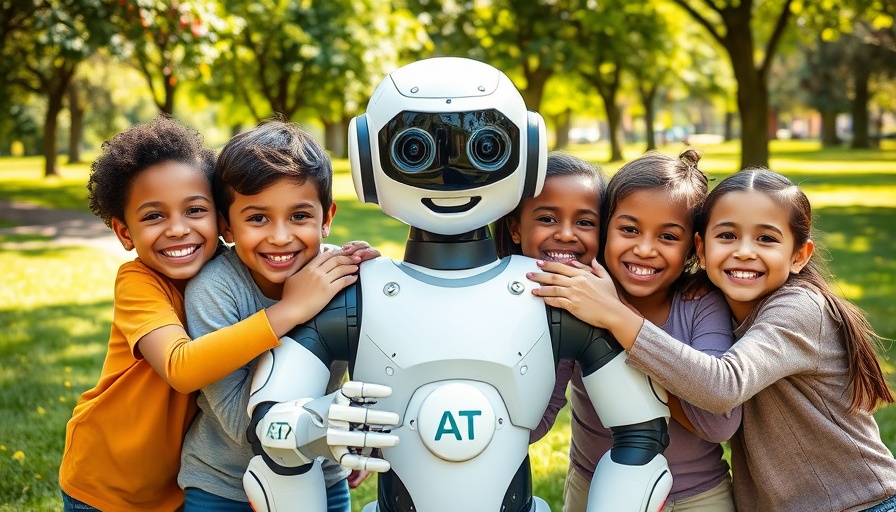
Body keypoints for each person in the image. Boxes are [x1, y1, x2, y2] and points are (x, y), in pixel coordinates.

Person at [530, 168, 896, 512]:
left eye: (766, 239)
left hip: (859, 502)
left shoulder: (799, 309)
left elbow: (723, 387)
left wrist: (614, 315)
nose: (744, 251)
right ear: (702, 250)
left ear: (799, 255)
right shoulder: (718, 302)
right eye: (727, 236)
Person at [58, 116, 365, 512]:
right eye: (153, 216)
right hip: (111, 481)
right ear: (125, 232)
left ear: (220, 221)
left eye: (194, 210)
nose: (178, 229)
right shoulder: (144, 284)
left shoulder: (242, 268)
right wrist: (291, 310)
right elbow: (182, 367)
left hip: (180, 481)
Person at [517, 150, 741, 511]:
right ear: (606, 229)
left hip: (697, 496)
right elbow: (535, 420)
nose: (645, 249)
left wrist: (616, 318)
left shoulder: (701, 305)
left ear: (692, 249)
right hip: (598, 491)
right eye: (630, 230)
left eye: (668, 236)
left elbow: (719, 424)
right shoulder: (579, 303)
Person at [177, 120, 375, 512]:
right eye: (257, 218)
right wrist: (293, 309)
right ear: (226, 226)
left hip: (321, 476)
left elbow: (380, 372)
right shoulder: (215, 290)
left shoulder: (342, 277)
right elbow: (241, 424)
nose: (281, 237)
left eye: (299, 216)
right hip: (224, 486)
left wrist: (379, 290)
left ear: (326, 217)